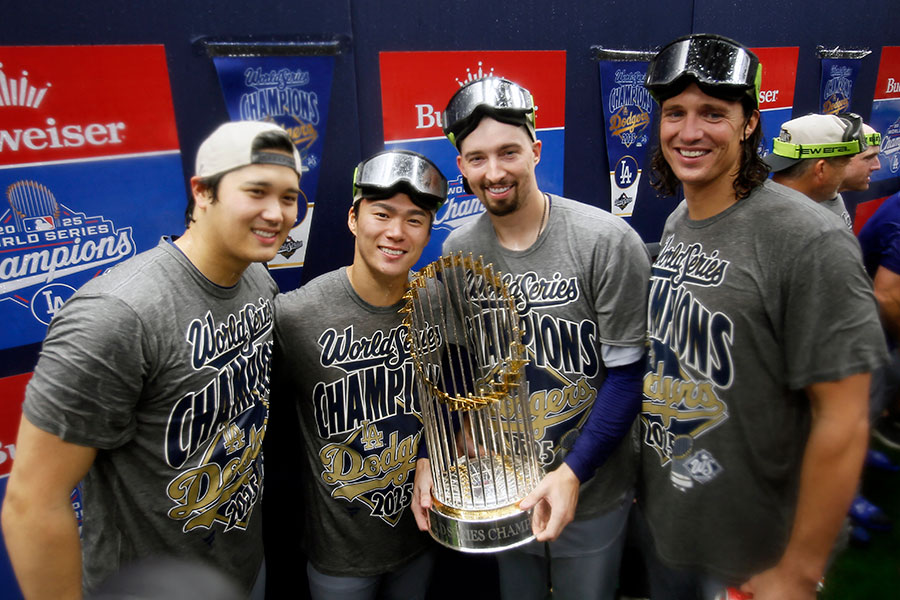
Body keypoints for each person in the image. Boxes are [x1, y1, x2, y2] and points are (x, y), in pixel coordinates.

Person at [1, 121, 302, 599]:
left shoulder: (257, 280)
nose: (277, 213)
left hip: (243, 563)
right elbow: (30, 503)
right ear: (203, 192)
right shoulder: (117, 315)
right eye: (257, 191)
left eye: (289, 197)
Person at [639, 33, 885, 600]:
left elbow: (844, 419)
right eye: (674, 113)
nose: (689, 131)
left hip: (752, 556)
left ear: (750, 123)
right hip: (673, 523)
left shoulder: (807, 237)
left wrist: (797, 570)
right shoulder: (682, 218)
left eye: (713, 113)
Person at [415, 75, 651, 600]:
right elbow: (457, 365)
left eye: (508, 152)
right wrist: (444, 449)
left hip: (590, 489)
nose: (493, 172)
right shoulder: (459, 245)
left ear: (536, 151)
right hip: (505, 487)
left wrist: (574, 471)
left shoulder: (603, 239)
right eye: (477, 158)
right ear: (461, 167)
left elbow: (628, 374)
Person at [272, 150, 447, 600]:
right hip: (340, 555)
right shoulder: (296, 315)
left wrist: (430, 453)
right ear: (353, 218)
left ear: (428, 231)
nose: (395, 232)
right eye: (382, 213)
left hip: (422, 536)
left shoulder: (437, 303)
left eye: (414, 219)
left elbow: (451, 397)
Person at [767, 112, 867, 229]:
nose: (773, 181)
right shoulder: (812, 228)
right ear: (821, 169)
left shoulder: (829, 197)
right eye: (845, 164)